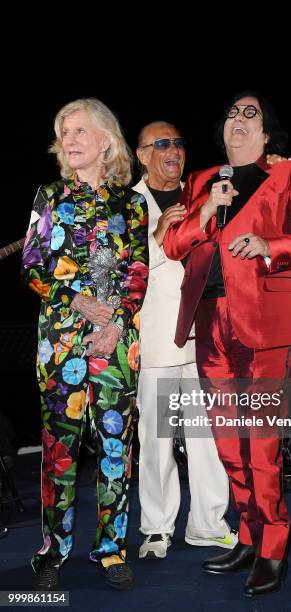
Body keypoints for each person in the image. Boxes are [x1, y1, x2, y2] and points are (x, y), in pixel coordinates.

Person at [163, 91, 291, 596]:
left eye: (250, 113)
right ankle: (250, 534)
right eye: (232, 113)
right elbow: (173, 246)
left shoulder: (288, 172)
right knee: (229, 443)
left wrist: (269, 246)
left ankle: (274, 545)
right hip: (210, 320)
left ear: (266, 132)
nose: (238, 119)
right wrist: (208, 205)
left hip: (264, 318)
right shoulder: (200, 181)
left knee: (260, 442)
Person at [22, 98, 149, 591]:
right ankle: (52, 551)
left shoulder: (132, 203)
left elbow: (137, 272)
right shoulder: (49, 196)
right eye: (64, 133)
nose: (69, 140)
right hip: (59, 341)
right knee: (59, 449)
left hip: (118, 340)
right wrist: (77, 301)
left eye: (79, 131)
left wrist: (116, 321)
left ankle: (112, 549)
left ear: (106, 141)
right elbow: (32, 265)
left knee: (116, 447)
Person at [133, 121, 235, 560]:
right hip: (157, 337)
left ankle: (208, 525)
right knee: (156, 442)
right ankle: (157, 528)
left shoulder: (199, 195)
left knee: (206, 436)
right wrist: (158, 241)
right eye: (161, 143)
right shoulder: (127, 203)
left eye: (178, 141)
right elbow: (122, 272)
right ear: (141, 155)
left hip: (205, 335)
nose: (172, 149)